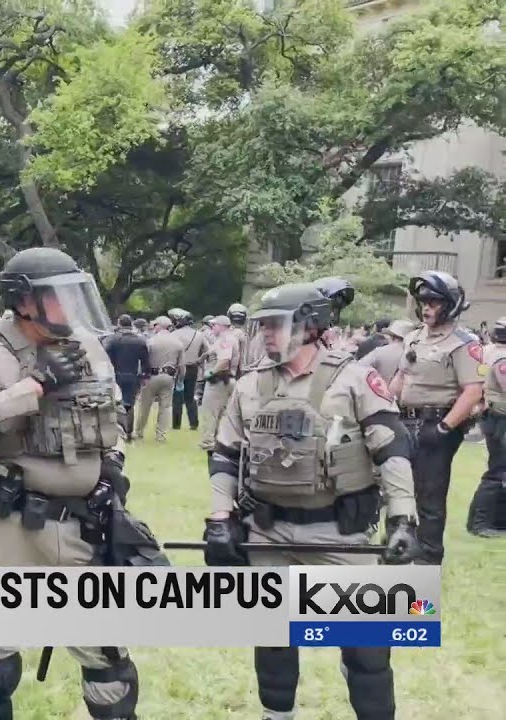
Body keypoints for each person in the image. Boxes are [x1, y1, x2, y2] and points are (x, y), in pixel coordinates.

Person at [203, 281, 418, 720]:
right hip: (268, 532)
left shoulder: (353, 378)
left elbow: (392, 450)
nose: (266, 335)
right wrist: (219, 519)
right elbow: (225, 456)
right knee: (275, 636)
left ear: (311, 325)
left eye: (276, 325)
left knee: (367, 648)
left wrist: (403, 521)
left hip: (340, 535)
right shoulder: (249, 385)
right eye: (263, 326)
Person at [0, 247, 143, 720]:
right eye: (59, 297)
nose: (70, 308)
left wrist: (111, 466)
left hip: (79, 523)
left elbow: (112, 415)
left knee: (106, 653)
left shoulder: (87, 346)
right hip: (6, 520)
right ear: (24, 302)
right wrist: (32, 388)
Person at [390, 271, 485, 564]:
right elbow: (401, 377)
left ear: (450, 305)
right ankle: (398, 549)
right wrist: (383, 407)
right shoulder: (414, 337)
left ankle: (427, 558)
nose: (427, 307)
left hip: (436, 423)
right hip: (404, 421)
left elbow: (472, 391)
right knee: (399, 490)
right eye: (424, 301)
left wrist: (444, 429)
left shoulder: (463, 343)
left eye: (434, 302)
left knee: (429, 497)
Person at [469, 316, 506, 537]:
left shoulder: (488, 351)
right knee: (497, 472)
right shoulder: (502, 358)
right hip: (501, 419)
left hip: (492, 415)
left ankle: (495, 522)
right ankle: (480, 524)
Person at [133, 316, 182, 442]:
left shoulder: (151, 341)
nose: (153, 327)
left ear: (159, 326)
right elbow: (181, 365)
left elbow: (144, 361)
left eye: (155, 325)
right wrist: (179, 379)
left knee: (145, 405)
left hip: (151, 376)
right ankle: (161, 435)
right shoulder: (177, 342)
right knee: (165, 407)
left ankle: (139, 431)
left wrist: (141, 376)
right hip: (169, 376)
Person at [199, 315, 240, 460]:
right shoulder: (227, 339)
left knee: (210, 412)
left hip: (219, 381)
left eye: (214, 325)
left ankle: (208, 442)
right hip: (227, 380)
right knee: (223, 414)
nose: (212, 327)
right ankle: (220, 441)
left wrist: (211, 372)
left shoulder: (225, 339)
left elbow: (224, 360)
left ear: (222, 326)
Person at [104, 314, 149, 437]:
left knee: (116, 403)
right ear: (131, 324)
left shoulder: (113, 340)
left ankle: (119, 430)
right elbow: (145, 360)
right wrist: (145, 376)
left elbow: (105, 357)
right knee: (130, 404)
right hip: (132, 375)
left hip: (116, 375)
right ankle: (129, 431)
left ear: (119, 323)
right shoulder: (140, 341)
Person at [169, 308, 207, 430]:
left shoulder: (174, 335)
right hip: (193, 367)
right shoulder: (199, 335)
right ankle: (194, 423)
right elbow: (208, 351)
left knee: (177, 397)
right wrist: (199, 360)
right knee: (190, 397)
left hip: (178, 368)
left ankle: (176, 424)